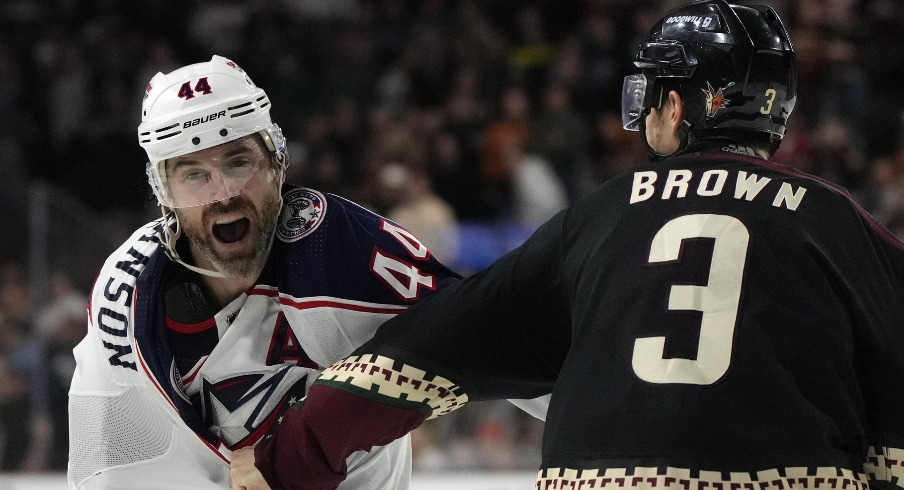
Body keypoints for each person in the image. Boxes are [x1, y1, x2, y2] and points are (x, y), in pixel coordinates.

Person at [231, 2, 904, 489]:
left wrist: (288, 457)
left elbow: (425, 353)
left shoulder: (601, 217)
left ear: (680, 107)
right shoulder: (842, 228)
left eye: (658, 96)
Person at [66, 55, 464, 489]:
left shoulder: (341, 252)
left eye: (239, 162)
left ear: (277, 162)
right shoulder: (127, 295)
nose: (225, 194)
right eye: (194, 174)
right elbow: (107, 468)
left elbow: (491, 338)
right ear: (165, 195)